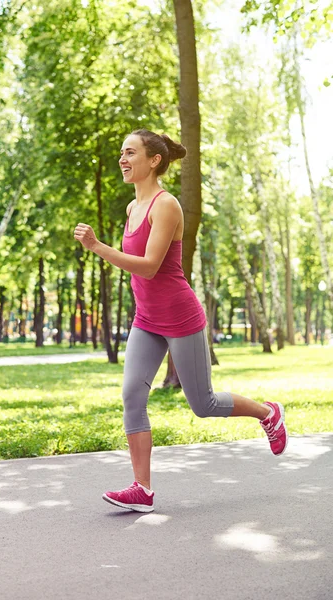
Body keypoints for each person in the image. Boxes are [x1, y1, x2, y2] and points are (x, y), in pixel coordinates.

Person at [74, 128, 288, 513]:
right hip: (147, 319)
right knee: (132, 395)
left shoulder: (165, 204)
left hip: (180, 317)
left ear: (153, 160)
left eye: (130, 153)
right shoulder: (132, 207)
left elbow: (151, 267)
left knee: (202, 403)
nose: (122, 160)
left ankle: (268, 413)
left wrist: (97, 247)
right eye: (122, 153)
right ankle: (142, 488)